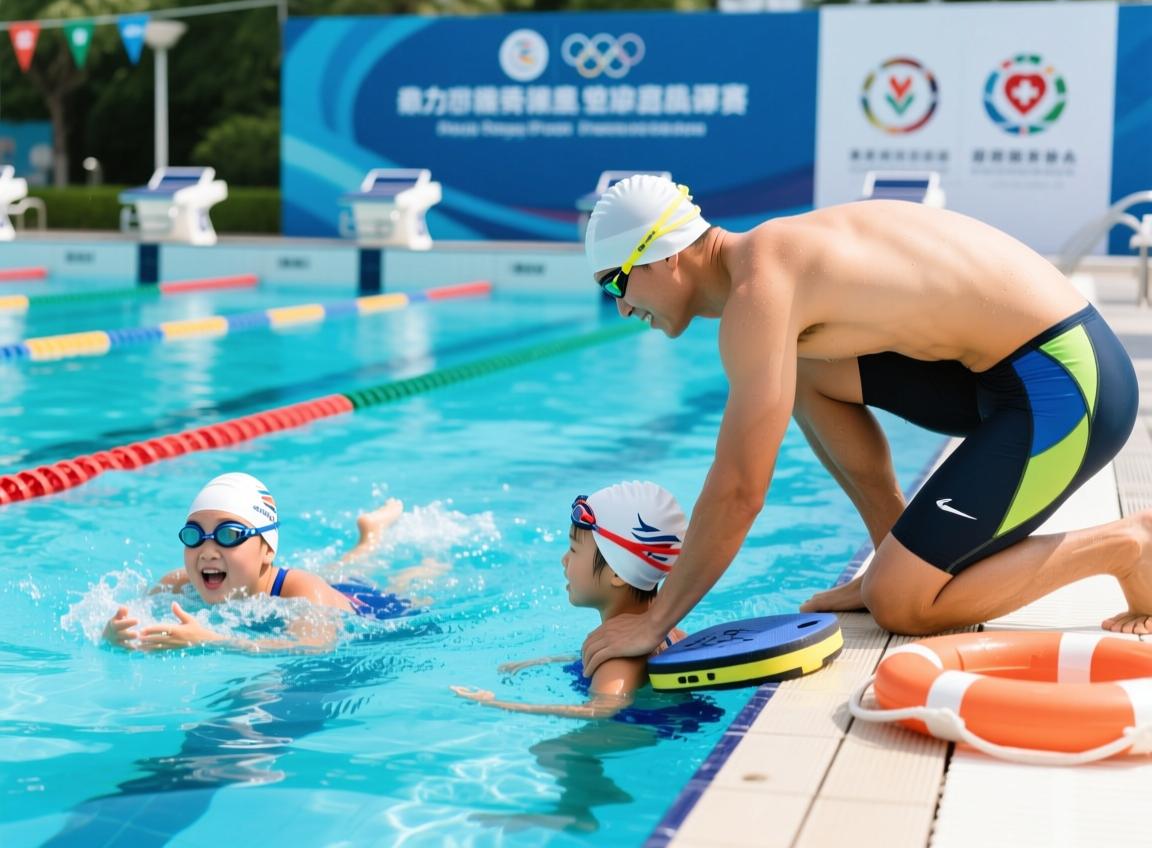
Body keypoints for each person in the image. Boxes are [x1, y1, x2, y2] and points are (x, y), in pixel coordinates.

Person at [579, 174, 1147, 676]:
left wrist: (656, 620)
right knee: (803, 372)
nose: (621, 307)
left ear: (665, 256)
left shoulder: (763, 287)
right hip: (1005, 372)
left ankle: (1125, 545)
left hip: (1070, 384)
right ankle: (894, 546)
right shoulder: (776, 255)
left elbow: (739, 490)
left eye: (615, 282)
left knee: (903, 604)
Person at [102, 472, 442, 652]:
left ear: (268, 550)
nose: (206, 550)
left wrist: (213, 640)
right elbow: (133, 621)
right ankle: (369, 537)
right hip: (308, 586)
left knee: (410, 587)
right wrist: (115, 635)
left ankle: (429, 560)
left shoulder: (303, 591)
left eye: (229, 535)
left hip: (369, 607)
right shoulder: (177, 584)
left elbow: (312, 648)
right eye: (194, 535)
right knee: (341, 570)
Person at [451, 481, 691, 718]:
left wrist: (494, 703)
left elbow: (600, 711)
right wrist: (548, 661)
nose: (564, 560)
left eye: (574, 550)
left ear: (617, 572)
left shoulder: (618, 661)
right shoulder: (668, 631)